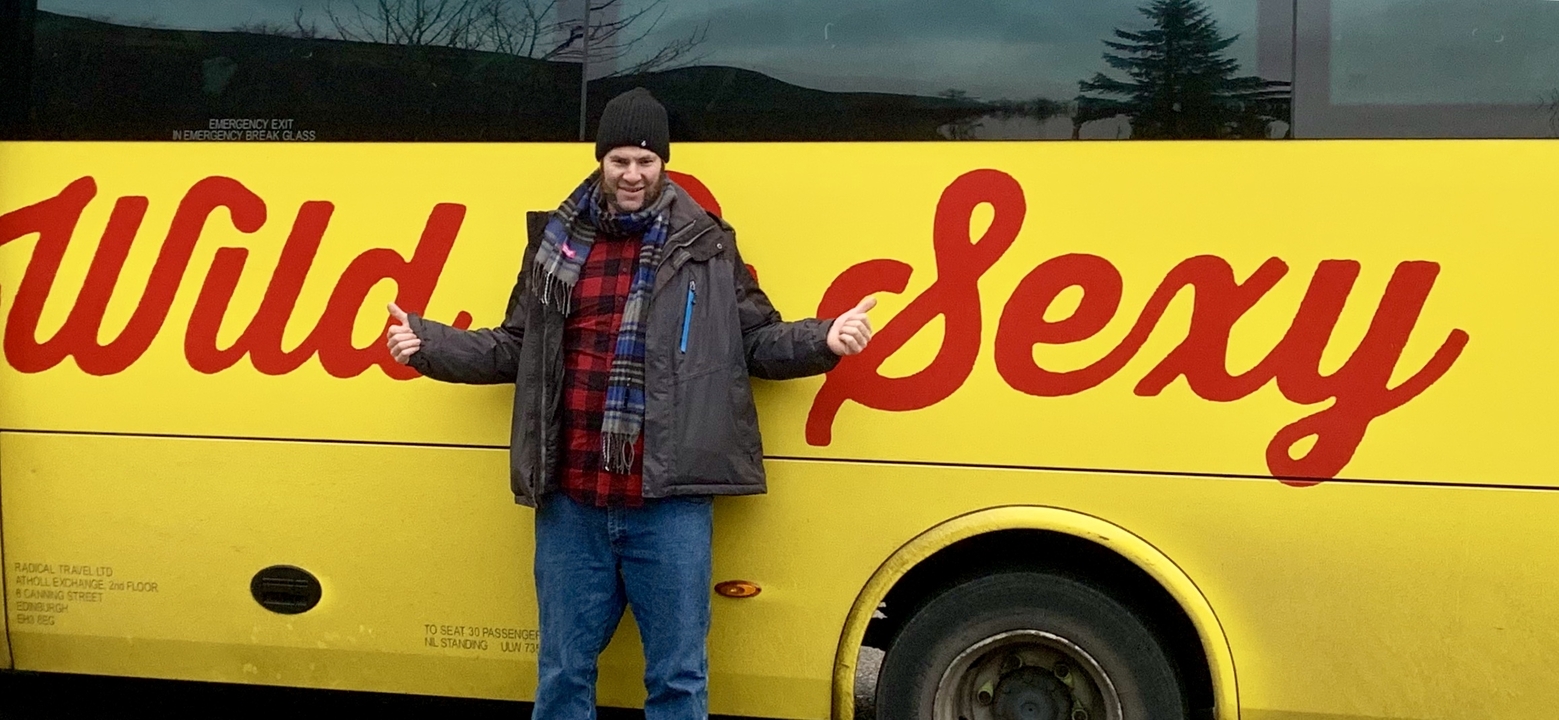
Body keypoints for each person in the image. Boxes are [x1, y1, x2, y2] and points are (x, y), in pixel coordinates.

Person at [382, 87, 875, 718]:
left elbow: (754, 340)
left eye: (646, 161)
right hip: (571, 500)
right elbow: (513, 348)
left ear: (663, 164)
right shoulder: (555, 246)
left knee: (677, 679)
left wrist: (824, 339)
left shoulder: (707, 246)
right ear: (601, 162)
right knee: (562, 675)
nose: (633, 174)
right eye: (620, 161)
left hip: (666, 505)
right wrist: (426, 344)